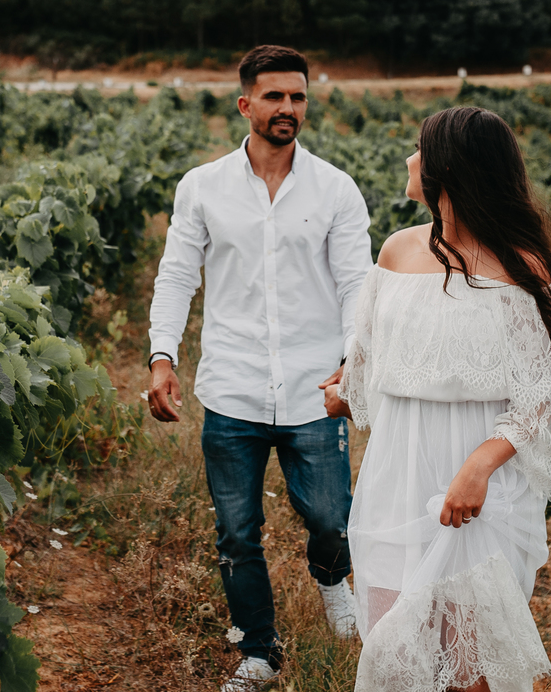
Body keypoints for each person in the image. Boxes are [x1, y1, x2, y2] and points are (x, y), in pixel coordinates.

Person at [325, 106, 551, 692]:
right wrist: (345, 393)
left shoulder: (519, 266)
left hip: (479, 483)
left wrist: (479, 467)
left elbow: (543, 393)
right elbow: (370, 356)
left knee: (472, 670)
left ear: (448, 167)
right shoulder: (396, 251)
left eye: (418, 148)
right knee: (397, 651)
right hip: (397, 471)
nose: (408, 159)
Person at [147, 45, 372, 691]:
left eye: (297, 97)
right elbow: (176, 277)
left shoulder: (335, 189)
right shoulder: (203, 188)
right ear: (245, 104)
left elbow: (357, 284)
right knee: (237, 531)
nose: (288, 109)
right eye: (274, 97)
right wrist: (163, 355)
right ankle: (259, 650)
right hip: (232, 387)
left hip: (313, 389)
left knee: (332, 520)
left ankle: (331, 579)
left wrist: (351, 362)